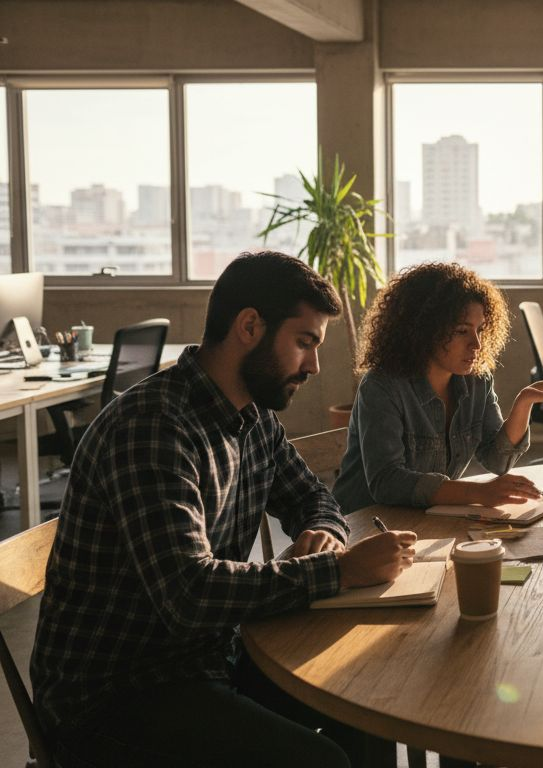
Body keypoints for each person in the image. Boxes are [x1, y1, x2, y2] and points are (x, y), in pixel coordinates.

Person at [31, 252, 417, 768]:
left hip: (210, 660)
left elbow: (313, 498)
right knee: (319, 761)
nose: (314, 365)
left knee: (367, 701)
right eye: (304, 342)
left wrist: (325, 530)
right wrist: (337, 570)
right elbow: (189, 594)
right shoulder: (152, 429)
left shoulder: (252, 415)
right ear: (250, 326)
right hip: (115, 695)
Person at [332, 262, 543, 513]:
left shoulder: (476, 380)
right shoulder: (382, 386)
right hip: (364, 524)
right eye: (462, 331)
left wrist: (525, 401)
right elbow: (387, 482)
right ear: (424, 330)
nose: (476, 344)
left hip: (426, 518)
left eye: (480, 330)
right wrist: (479, 493)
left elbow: (497, 460)